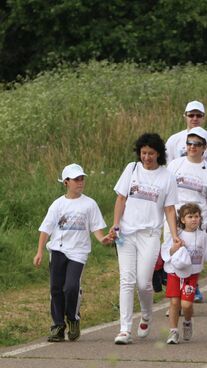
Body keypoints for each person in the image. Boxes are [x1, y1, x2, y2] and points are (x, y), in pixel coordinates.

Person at [111, 133, 180, 345]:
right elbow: (121, 198)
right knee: (126, 280)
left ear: (158, 153)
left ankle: (147, 314)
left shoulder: (167, 176)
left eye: (150, 153)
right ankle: (124, 329)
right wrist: (115, 226)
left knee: (143, 282)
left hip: (150, 235)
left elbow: (169, 209)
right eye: (143, 153)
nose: (146, 157)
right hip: (127, 234)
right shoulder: (131, 169)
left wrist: (175, 236)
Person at [34, 164, 112, 342]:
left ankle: (73, 318)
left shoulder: (89, 204)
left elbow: (97, 231)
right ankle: (58, 326)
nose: (80, 182)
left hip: (78, 252)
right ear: (66, 182)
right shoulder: (58, 204)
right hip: (58, 250)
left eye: (82, 178)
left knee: (70, 287)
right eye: (76, 179)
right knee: (55, 288)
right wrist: (39, 251)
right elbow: (45, 229)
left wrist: (103, 239)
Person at [167, 127, 207, 303]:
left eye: (197, 144)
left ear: (204, 147)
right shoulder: (175, 165)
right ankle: (175, 297)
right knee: (175, 256)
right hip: (175, 219)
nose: (192, 147)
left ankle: (190, 290)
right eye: (189, 143)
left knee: (191, 256)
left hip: (197, 220)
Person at [161, 203, 207, 344]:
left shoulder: (203, 236)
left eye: (196, 216)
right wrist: (174, 248)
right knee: (174, 302)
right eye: (190, 216)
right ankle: (173, 331)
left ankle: (188, 321)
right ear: (183, 219)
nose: (194, 219)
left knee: (186, 305)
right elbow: (166, 252)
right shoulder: (177, 234)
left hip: (191, 275)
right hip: (174, 272)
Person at [166, 100, 207, 172]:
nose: (195, 118)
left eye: (199, 115)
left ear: (203, 117)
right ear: (185, 116)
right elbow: (167, 166)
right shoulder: (173, 140)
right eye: (191, 115)